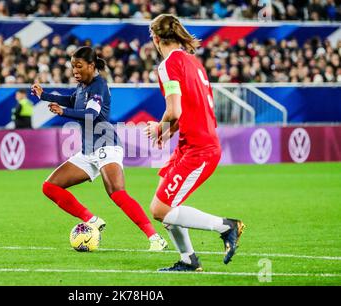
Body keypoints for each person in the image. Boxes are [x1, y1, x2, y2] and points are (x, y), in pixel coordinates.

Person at [31, 46, 168, 251]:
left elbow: (91, 114)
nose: (75, 71)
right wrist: (45, 96)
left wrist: (63, 112)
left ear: (91, 65)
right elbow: (71, 100)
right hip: (87, 151)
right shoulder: (82, 87)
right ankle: (91, 220)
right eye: (72, 67)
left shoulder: (99, 85)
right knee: (50, 187)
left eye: (79, 66)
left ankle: (155, 238)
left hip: (106, 146)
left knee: (117, 193)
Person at [144, 14, 245, 271]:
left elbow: (174, 110)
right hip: (190, 144)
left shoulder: (167, 66)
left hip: (199, 149)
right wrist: (166, 134)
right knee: (163, 199)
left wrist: (159, 127)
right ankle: (188, 260)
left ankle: (226, 226)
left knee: (159, 209)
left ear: (156, 39)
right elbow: (186, 110)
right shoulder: (193, 62)